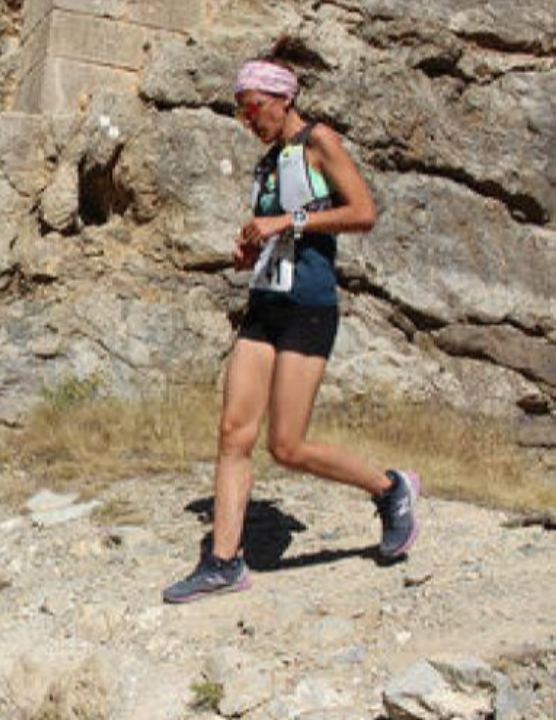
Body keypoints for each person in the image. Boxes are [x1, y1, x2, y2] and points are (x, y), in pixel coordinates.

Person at [163, 52, 420, 604]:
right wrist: (250, 248)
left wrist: (289, 221)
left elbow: (363, 212)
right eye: (240, 113)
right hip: (266, 301)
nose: (248, 121)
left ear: (282, 99)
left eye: (252, 108)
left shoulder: (318, 142)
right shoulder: (269, 162)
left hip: (308, 304)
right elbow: (279, 233)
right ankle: (222, 562)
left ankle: (390, 488)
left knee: (287, 445)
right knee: (234, 432)